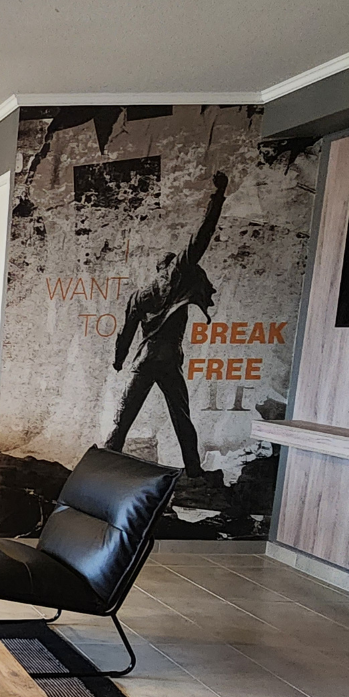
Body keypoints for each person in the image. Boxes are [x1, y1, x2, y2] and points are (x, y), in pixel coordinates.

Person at [106, 171, 228, 477]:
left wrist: (119, 360)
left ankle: (104, 461)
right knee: (181, 416)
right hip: (168, 359)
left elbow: (125, 333)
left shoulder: (138, 295)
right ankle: (194, 471)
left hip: (144, 359)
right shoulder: (176, 276)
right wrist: (218, 196)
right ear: (171, 267)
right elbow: (201, 237)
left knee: (124, 416)